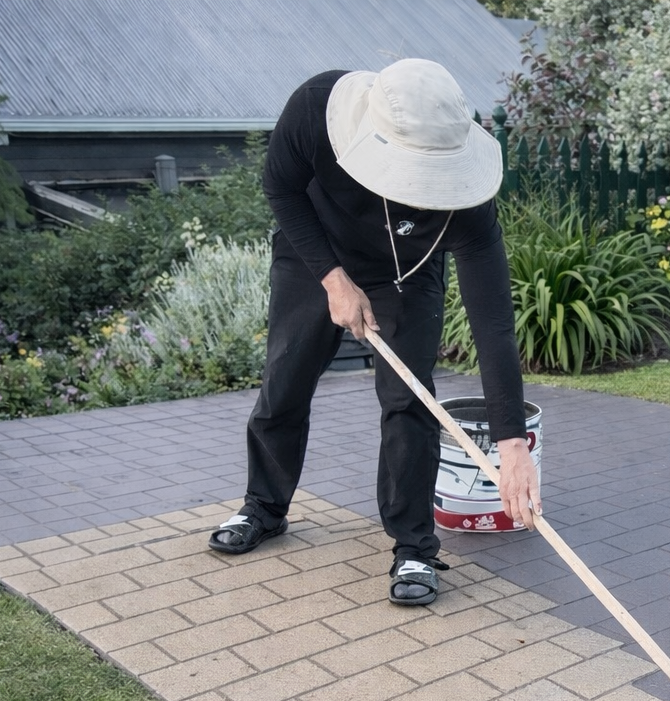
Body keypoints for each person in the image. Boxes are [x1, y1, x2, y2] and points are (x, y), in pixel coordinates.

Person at [208, 59, 541, 607]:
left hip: (408, 270)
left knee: (409, 399)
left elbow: (493, 323)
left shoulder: (469, 203)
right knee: (285, 379)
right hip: (315, 253)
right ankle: (263, 507)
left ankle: (414, 546)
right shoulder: (315, 108)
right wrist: (333, 278)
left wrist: (512, 446)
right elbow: (281, 188)